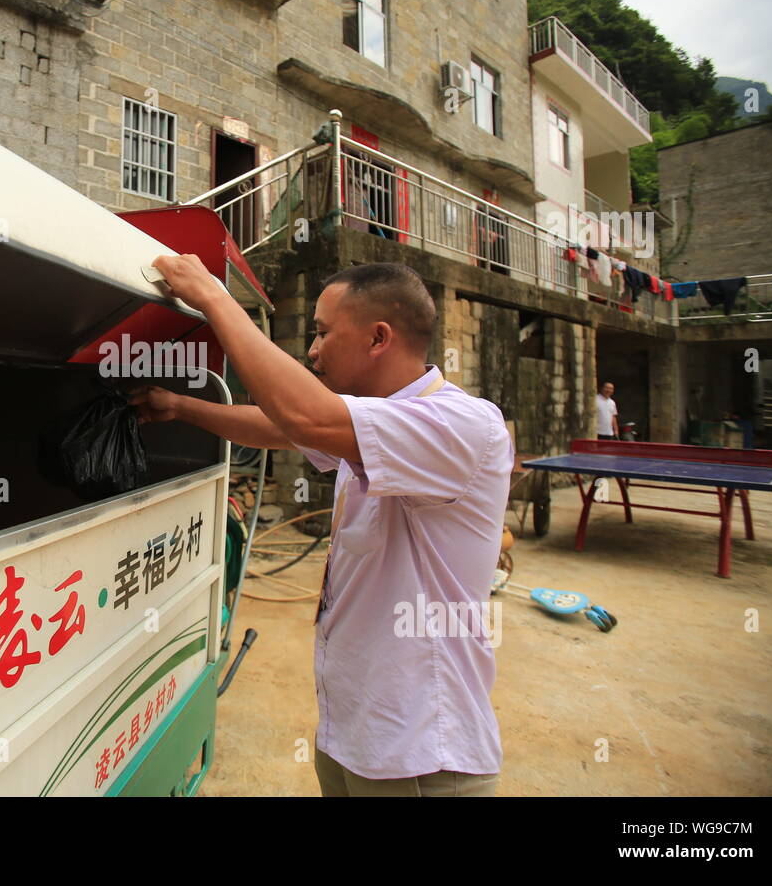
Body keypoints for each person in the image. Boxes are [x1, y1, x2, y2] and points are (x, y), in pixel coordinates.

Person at [130, 259, 513, 797]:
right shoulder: (376, 420)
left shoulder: (462, 424)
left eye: (322, 332)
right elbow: (283, 426)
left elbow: (305, 417)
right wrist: (180, 407)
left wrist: (217, 301)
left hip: (422, 755)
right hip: (358, 733)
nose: (312, 349)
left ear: (378, 338)